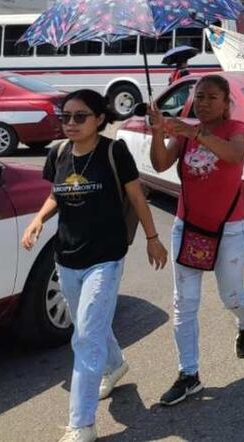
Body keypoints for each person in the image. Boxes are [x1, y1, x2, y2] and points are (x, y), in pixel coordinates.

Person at [21, 90, 167, 442]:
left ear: (100, 118)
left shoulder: (113, 151)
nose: (70, 123)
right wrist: (38, 219)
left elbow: (135, 195)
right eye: (65, 116)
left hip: (105, 256)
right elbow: (57, 192)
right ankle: (114, 365)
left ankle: (81, 424)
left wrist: (152, 237)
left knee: (85, 337)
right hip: (66, 256)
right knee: (91, 324)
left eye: (79, 117)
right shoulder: (58, 153)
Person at [146, 75, 244, 407]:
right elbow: (160, 163)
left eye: (211, 97)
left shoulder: (235, 128)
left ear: (225, 102)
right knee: (184, 303)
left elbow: (235, 156)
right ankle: (188, 374)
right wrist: (157, 133)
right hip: (188, 227)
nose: (204, 102)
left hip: (229, 229)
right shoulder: (184, 134)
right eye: (199, 97)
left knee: (231, 295)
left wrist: (193, 131)